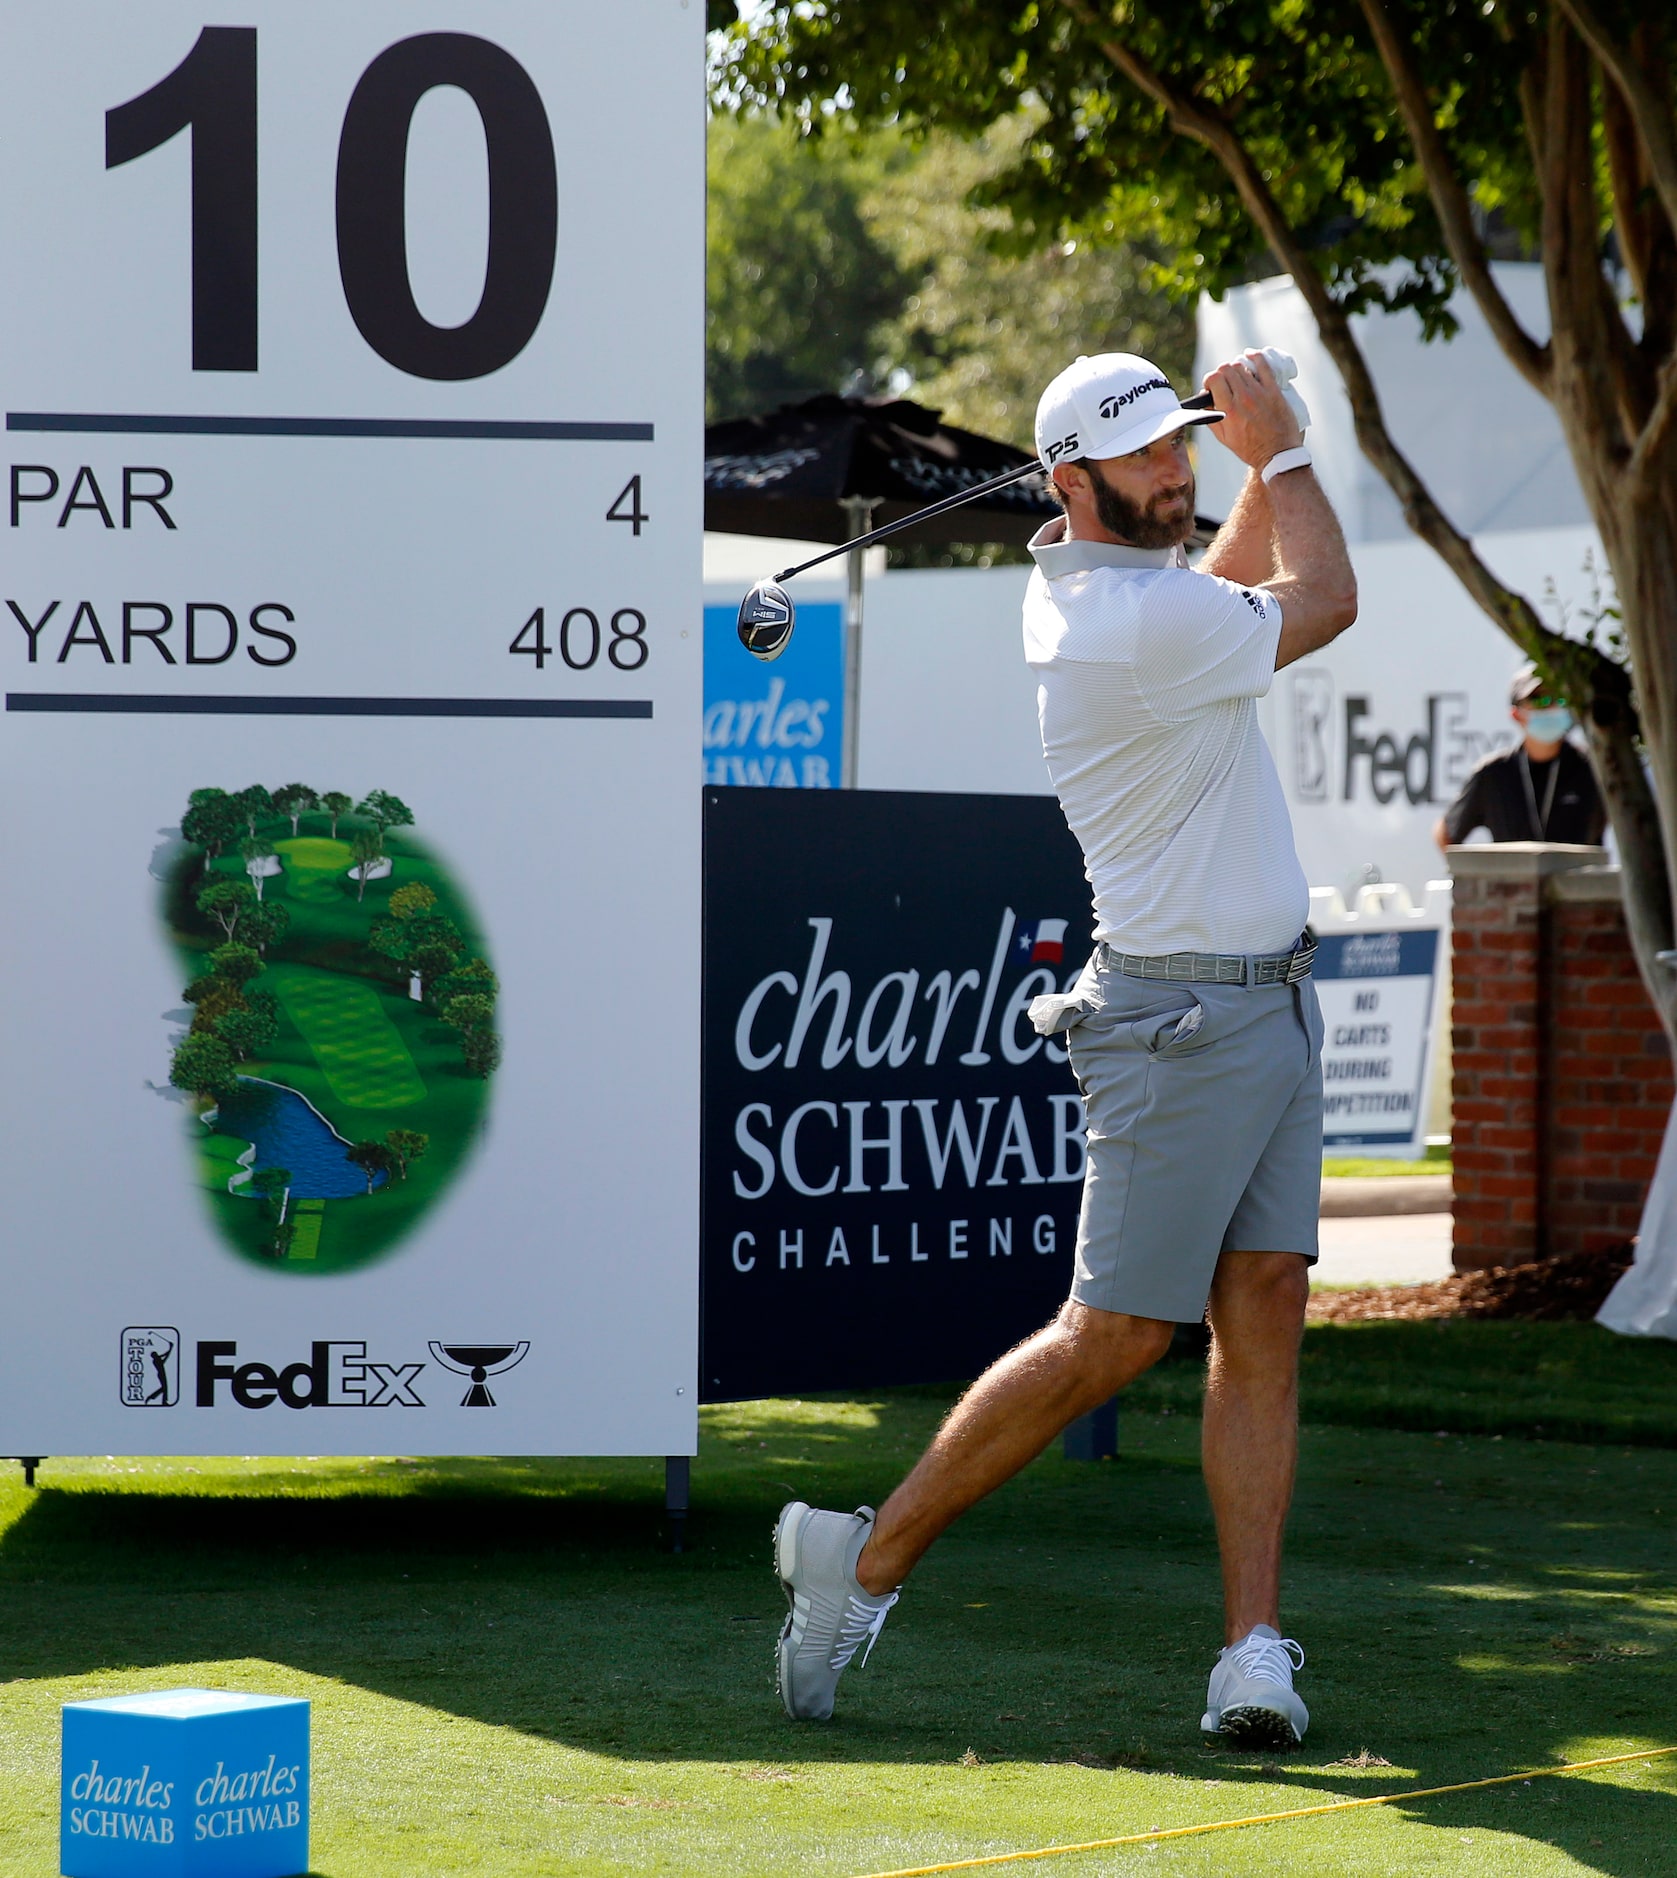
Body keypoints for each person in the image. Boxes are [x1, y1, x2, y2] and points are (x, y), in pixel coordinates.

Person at [772, 351, 1357, 1747]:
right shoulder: (1124, 624)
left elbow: (1211, 580)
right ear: (1070, 484)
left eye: (1185, 442)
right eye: (1149, 454)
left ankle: (1250, 1649)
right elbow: (1323, 597)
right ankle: (860, 1558)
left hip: (1264, 1001)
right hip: (1173, 1020)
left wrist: (1244, 465)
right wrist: (1281, 452)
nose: (1179, 465)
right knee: (1115, 1335)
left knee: (1263, 1298)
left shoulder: (1137, 596)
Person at [1433, 666, 1606, 850]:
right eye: (1540, 700)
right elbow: (1446, 832)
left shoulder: (1594, 767)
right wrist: (1472, 877)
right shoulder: (1493, 773)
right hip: (1511, 878)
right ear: (1516, 714)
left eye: (1559, 698)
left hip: (1579, 878)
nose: (1552, 706)